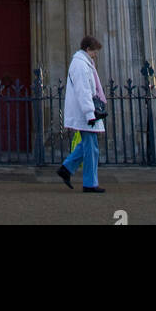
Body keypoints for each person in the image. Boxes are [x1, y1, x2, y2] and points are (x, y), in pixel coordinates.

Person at [58, 35, 106, 193]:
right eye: (94, 51)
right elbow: (83, 90)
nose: (96, 55)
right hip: (84, 112)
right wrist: (89, 113)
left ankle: (66, 168)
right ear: (88, 49)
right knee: (92, 148)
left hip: (86, 111)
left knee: (89, 145)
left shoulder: (85, 63)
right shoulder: (80, 64)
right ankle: (90, 183)